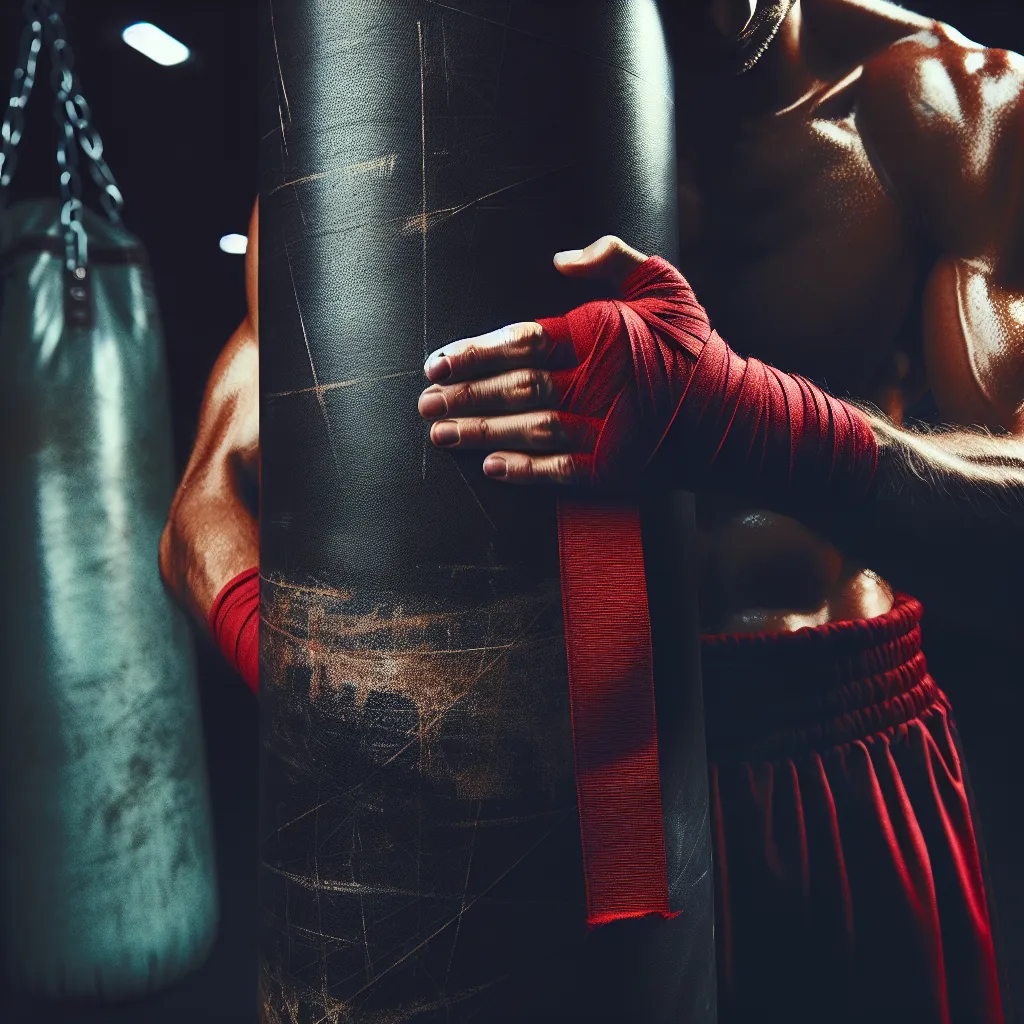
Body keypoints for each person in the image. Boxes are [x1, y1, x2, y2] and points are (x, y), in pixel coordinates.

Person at [160, 0, 1024, 1019]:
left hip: (820, 746)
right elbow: (203, 511)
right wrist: (333, 700)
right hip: (522, 796)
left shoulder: (939, 101)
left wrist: (759, 424)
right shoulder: (408, 122)